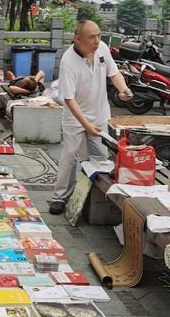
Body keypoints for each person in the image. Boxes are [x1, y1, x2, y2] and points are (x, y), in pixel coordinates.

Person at [49, 20, 133, 214]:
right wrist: (86, 125)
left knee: (101, 157)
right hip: (74, 116)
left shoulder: (103, 48)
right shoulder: (68, 61)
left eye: (99, 36)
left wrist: (124, 90)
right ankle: (60, 197)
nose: (97, 41)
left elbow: (114, 73)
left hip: (100, 113)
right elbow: (69, 99)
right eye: (91, 37)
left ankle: (95, 200)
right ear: (77, 39)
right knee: (69, 156)